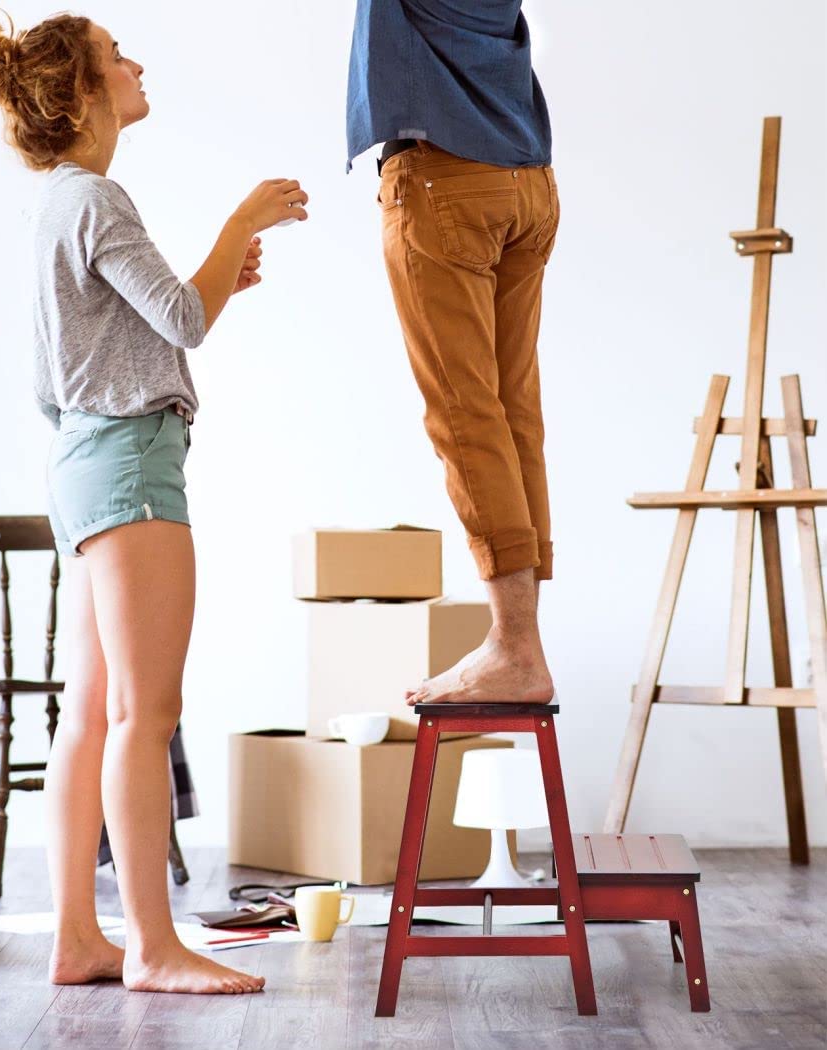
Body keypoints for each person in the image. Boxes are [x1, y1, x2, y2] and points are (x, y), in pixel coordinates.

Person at [0, 11, 308, 994]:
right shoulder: (100, 200)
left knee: (94, 712)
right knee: (147, 715)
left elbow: (156, 321)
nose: (137, 64)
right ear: (80, 94)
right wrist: (243, 222)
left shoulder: (58, 203)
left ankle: (80, 938)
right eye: (118, 57)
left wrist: (219, 276)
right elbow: (184, 320)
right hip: (131, 458)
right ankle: (152, 946)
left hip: (81, 458)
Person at [347, 0, 559, 705]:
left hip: (445, 180)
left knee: (466, 414)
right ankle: (520, 638)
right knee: (510, 408)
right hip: (527, 178)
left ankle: (515, 647)